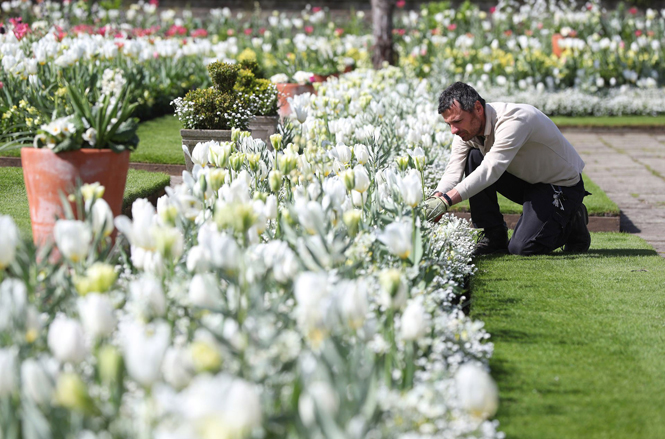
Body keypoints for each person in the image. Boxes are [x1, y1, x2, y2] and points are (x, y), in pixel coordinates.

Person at [425, 82, 590, 256]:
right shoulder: (466, 131)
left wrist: (446, 201)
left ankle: (573, 220)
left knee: (522, 248)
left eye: (457, 121)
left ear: (478, 108)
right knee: (474, 157)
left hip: (560, 186)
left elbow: (491, 170)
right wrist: (436, 198)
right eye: (449, 124)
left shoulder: (514, 120)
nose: (453, 130)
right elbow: (453, 170)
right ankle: (493, 235)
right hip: (527, 180)